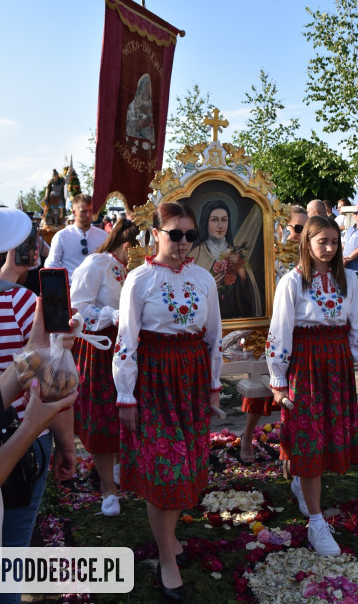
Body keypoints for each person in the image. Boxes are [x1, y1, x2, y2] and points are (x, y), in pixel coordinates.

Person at [113, 202, 222, 600]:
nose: (183, 243)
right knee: (165, 470)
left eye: (190, 235)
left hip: (190, 380)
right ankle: (167, 556)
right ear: (155, 233)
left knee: (185, 465)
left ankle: (170, 537)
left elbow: (213, 336)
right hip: (155, 381)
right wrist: (126, 395)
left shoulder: (204, 278)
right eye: (175, 234)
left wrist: (212, 386)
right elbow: (126, 342)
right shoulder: (138, 280)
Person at [0, 197, 76, 604]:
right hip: (16, 442)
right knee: (9, 551)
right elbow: (52, 386)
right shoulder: (18, 303)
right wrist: (66, 446)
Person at [265, 216, 358, 556]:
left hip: (337, 364)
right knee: (309, 440)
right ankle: (315, 523)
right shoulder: (293, 281)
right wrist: (278, 381)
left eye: (334, 242)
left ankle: (302, 483)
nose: (329, 248)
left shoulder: (349, 279)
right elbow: (280, 330)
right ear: (307, 243)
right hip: (306, 365)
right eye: (322, 241)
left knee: (324, 437)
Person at [70, 218, 140, 517]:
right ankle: (109, 491)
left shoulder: (140, 269)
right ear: (127, 246)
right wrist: (113, 314)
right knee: (102, 415)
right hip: (100, 347)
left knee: (129, 412)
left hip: (132, 346)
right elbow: (77, 307)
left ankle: (123, 470)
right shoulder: (96, 264)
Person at [240, 205, 308, 464]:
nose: (301, 235)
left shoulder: (310, 257)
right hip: (266, 331)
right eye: (297, 228)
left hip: (299, 340)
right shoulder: (269, 253)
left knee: (294, 396)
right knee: (260, 391)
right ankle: (247, 435)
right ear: (282, 228)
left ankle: (291, 449)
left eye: (305, 229)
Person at [190, 199, 262, 318]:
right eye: (214, 220)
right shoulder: (195, 255)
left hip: (235, 321)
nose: (220, 225)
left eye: (224, 220)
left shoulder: (236, 255)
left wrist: (243, 278)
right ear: (205, 222)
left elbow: (251, 301)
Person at [46, 193, 108, 282]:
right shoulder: (61, 236)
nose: (88, 215)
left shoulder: (103, 236)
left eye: (90, 211)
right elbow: (52, 265)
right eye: (84, 211)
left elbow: (108, 263)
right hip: (70, 288)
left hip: (96, 288)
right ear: (74, 212)